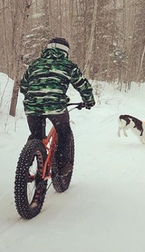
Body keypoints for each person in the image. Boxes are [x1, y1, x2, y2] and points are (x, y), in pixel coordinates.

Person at [19, 37, 95, 175]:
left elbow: (23, 87)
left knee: (36, 136)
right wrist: (89, 100)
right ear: (65, 51)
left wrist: (36, 96)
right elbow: (83, 85)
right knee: (64, 132)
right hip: (56, 108)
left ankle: (27, 164)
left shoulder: (35, 65)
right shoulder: (68, 66)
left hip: (32, 107)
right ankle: (61, 167)